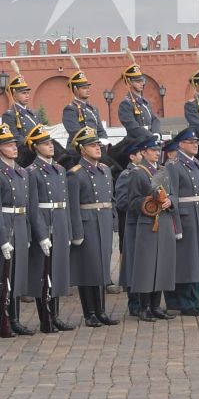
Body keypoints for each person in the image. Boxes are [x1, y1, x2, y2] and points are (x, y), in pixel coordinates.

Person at [0, 124, 35, 337]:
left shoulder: (21, 172)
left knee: (17, 274)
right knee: (0, 277)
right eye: (8, 145)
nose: (13, 148)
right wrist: (1, 239)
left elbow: (27, 206)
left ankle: (15, 318)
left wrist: (27, 232)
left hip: (19, 224)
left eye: (14, 144)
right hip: (4, 224)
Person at [116, 133, 178, 321]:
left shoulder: (163, 170)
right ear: (143, 152)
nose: (157, 153)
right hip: (147, 224)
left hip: (165, 222)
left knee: (161, 265)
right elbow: (132, 202)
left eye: (158, 150)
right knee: (146, 267)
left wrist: (170, 201)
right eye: (153, 150)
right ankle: (144, 307)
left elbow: (174, 194)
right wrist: (151, 201)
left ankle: (156, 306)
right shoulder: (138, 173)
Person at [26, 125, 79, 332]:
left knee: (56, 272)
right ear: (36, 147)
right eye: (45, 144)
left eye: (51, 143)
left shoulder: (59, 169)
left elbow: (64, 202)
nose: (50, 147)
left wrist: (67, 229)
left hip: (59, 221)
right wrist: (40, 235)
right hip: (45, 222)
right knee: (43, 273)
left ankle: (55, 315)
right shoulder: (32, 172)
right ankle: (45, 318)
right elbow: (33, 207)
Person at [70, 127, 121, 327]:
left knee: (101, 267)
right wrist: (76, 231)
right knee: (87, 268)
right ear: (82, 150)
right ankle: (89, 312)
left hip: (104, 220)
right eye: (92, 145)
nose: (97, 148)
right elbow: (73, 206)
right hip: (87, 221)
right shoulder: (76, 174)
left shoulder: (105, 169)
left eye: (98, 144)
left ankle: (101, 311)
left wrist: (113, 220)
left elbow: (110, 199)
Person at [167, 127, 199, 315]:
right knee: (186, 261)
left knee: (198, 259)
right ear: (181, 145)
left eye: (196, 142)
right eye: (191, 142)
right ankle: (185, 301)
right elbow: (174, 196)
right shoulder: (174, 165)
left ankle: (195, 298)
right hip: (185, 217)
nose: (195, 145)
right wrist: (176, 223)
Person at [55, 70, 103, 144]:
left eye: (88, 88)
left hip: (95, 146)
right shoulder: (70, 109)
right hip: (78, 149)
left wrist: (104, 142)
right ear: (75, 89)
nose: (87, 90)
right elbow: (75, 133)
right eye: (84, 88)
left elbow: (101, 131)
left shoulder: (93, 109)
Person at [2, 75, 45, 149]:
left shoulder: (34, 114)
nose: (27, 96)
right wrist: (34, 145)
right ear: (14, 95)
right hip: (24, 151)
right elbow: (15, 137)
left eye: (27, 93)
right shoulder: (9, 115)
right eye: (23, 93)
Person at [117, 63, 157, 141]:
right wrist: (150, 136)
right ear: (129, 83)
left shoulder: (145, 102)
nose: (142, 83)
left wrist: (156, 133)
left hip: (149, 139)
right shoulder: (126, 104)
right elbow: (132, 127)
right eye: (138, 81)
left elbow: (155, 120)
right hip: (136, 142)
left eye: (142, 80)